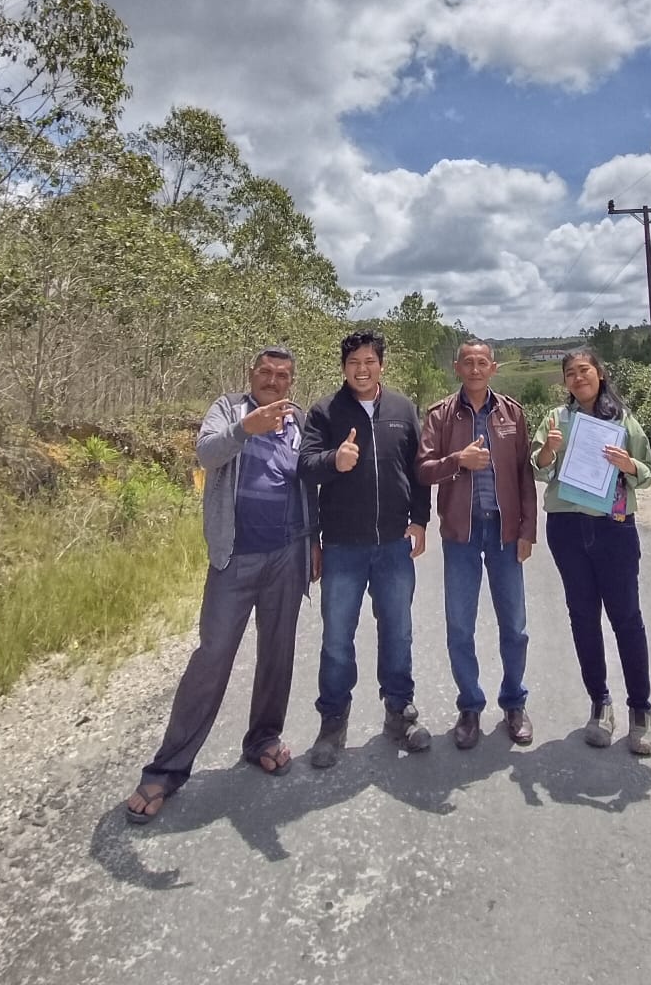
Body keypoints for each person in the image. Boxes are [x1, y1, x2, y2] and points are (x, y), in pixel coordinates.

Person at [124, 347, 319, 823]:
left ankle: (263, 739)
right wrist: (244, 429)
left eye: (283, 375)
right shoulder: (228, 409)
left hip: (288, 553)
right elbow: (207, 454)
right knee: (211, 658)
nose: (273, 381)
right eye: (266, 372)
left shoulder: (298, 421)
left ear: (292, 382)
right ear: (250, 374)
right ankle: (167, 769)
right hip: (235, 559)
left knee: (278, 651)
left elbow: (308, 482)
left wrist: (315, 543)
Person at [298, 330, 431, 766]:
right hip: (343, 547)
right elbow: (305, 466)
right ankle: (332, 721)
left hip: (393, 544)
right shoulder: (324, 412)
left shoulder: (402, 409)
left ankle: (399, 711)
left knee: (397, 631)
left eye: (369, 360)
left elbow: (418, 468)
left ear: (381, 365)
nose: (362, 368)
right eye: (354, 361)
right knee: (337, 637)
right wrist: (333, 460)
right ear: (344, 367)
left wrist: (420, 520)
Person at [530, 348, 651, 756]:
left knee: (626, 619)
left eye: (584, 370)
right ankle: (600, 704)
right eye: (570, 373)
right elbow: (537, 468)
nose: (577, 378)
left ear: (600, 373)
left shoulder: (622, 421)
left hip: (614, 529)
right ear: (564, 381)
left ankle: (640, 711)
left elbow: (649, 471)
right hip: (567, 528)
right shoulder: (556, 420)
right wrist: (549, 450)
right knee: (583, 618)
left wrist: (627, 465)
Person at [417, 338, 536, 748]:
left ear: (493, 368)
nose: (474, 369)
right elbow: (424, 470)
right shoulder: (440, 416)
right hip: (461, 535)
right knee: (460, 627)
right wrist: (458, 462)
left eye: (481, 362)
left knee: (515, 628)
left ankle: (514, 703)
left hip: (504, 534)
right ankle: (469, 707)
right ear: (457, 368)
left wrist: (527, 531)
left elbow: (524, 477)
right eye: (467, 362)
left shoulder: (513, 414)